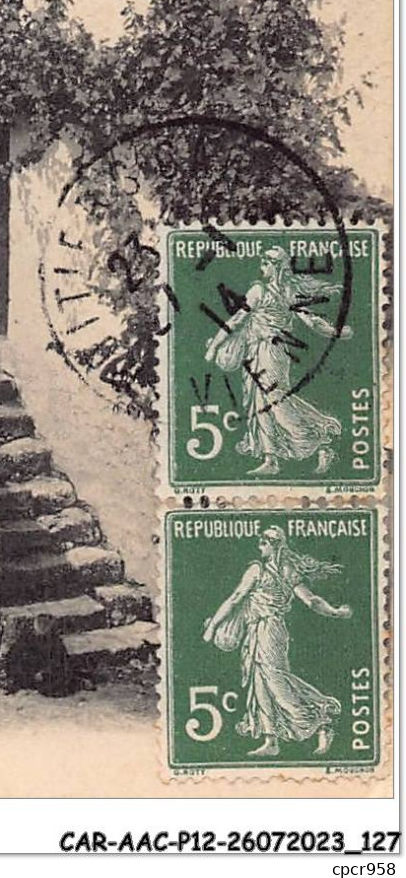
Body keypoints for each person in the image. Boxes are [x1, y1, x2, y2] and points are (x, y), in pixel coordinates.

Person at [202, 526, 352, 757]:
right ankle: (270, 740)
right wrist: (335, 612)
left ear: (274, 545)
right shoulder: (283, 570)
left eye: (263, 543)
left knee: (276, 682)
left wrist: (212, 626)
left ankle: (322, 722)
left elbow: (236, 599)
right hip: (255, 630)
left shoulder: (261, 569)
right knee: (260, 684)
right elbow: (310, 600)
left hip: (270, 630)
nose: (259, 547)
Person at [204, 246, 351, 476]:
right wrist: (215, 345)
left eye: (266, 263)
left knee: (276, 401)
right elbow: (238, 320)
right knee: (259, 403)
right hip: (256, 350)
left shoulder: (273, 291)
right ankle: (271, 459)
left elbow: (310, 320)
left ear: (277, 267)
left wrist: (336, 332)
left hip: (272, 352)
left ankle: (320, 440)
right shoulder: (267, 290)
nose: (262, 267)